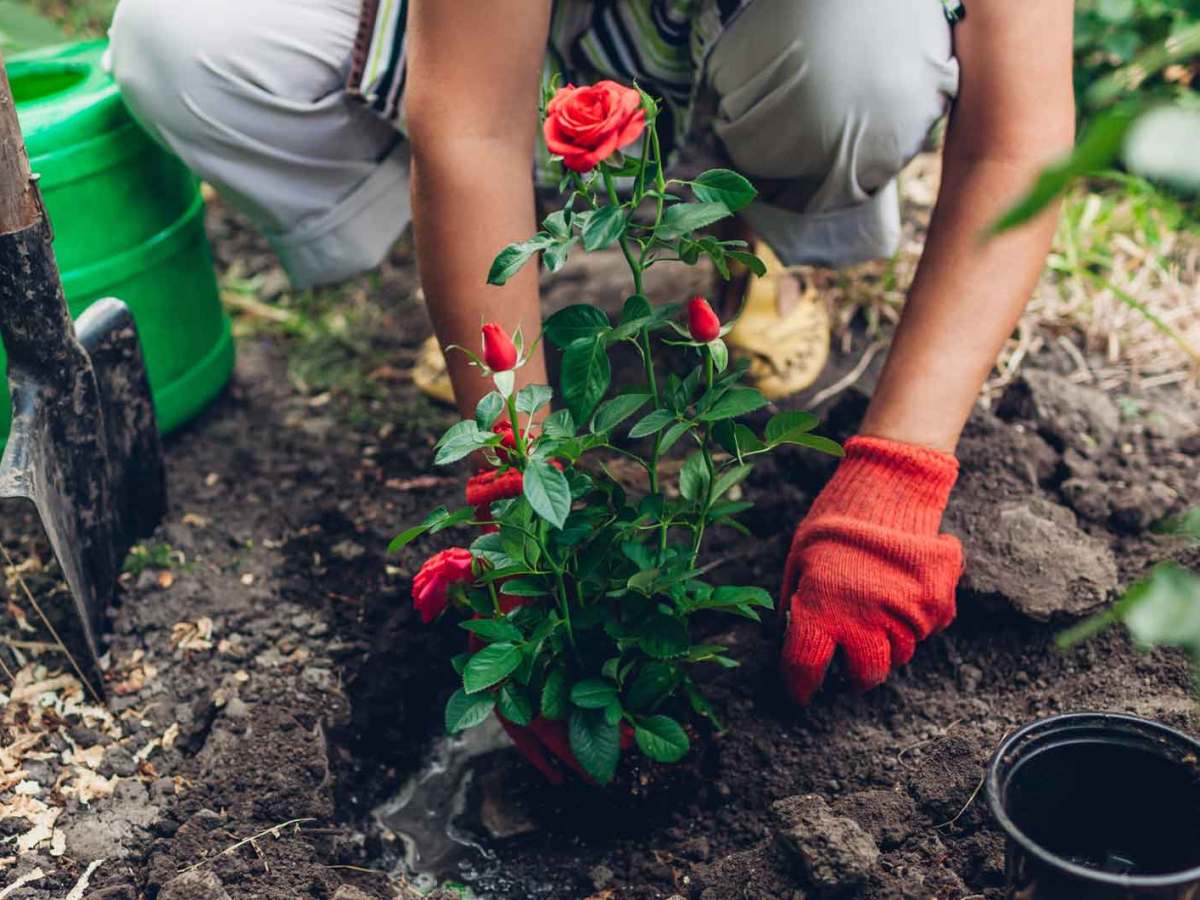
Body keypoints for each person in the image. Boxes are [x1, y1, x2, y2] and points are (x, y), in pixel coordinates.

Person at [108, 0, 1074, 707]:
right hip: (519, 37)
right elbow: (474, 123)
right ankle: (479, 301)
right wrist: (518, 483)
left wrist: (898, 468)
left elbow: (1018, 141)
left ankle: (758, 250)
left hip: (777, 44)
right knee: (186, 41)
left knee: (859, 57)